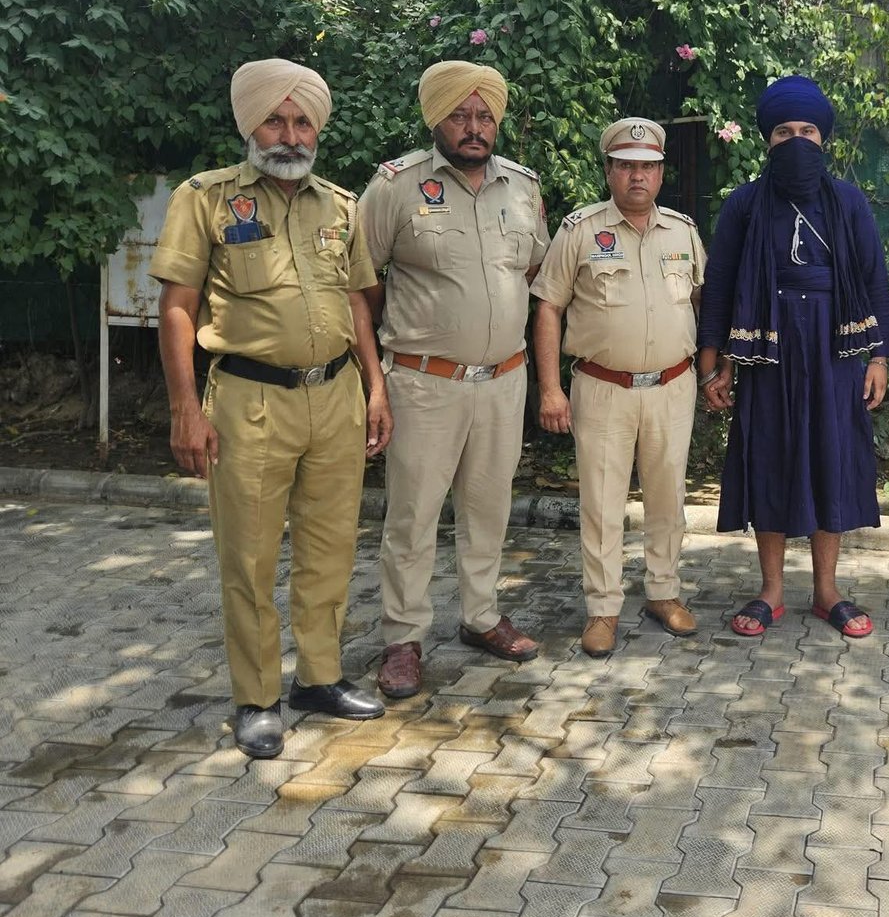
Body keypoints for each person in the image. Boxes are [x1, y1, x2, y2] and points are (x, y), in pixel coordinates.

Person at [152, 58, 391, 759]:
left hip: (337, 396)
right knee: (250, 557)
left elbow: (357, 302)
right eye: (275, 121)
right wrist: (184, 409)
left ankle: (320, 678)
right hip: (248, 402)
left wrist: (376, 387)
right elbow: (177, 307)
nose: (290, 135)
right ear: (249, 126)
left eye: (302, 122)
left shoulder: (340, 205)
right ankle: (256, 698)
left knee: (331, 547)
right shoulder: (207, 199)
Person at [357, 62, 550, 699]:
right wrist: (379, 375)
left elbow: (533, 272)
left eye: (484, 116)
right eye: (461, 115)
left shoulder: (523, 188)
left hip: (503, 382)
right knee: (412, 515)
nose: (474, 127)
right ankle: (403, 637)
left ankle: (481, 616)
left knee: (488, 508)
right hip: (423, 384)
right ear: (436, 119)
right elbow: (360, 282)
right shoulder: (395, 186)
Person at [697, 75, 889, 639]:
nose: (797, 140)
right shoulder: (745, 204)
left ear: (823, 138)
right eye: (784, 132)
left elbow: (875, 282)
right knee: (770, 458)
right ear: (768, 139)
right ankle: (771, 591)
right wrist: (712, 363)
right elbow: (720, 286)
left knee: (832, 460)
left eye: (808, 130)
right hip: (766, 351)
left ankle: (827, 591)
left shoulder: (848, 201)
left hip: (836, 350)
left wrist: (879, 358)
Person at [532, 118, 706, 657]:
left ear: (661, 174)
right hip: (603, 388)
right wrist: (550, 389)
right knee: (603, 504)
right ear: (608, 170)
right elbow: (548, 307)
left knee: (667, 497)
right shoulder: (580, 230)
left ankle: (663, 592)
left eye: (648, 167)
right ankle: (603, 608)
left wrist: (712, 369)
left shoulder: (683, 231)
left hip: (672, 386)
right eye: (626, 166)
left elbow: (702, 302)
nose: (638, 176)